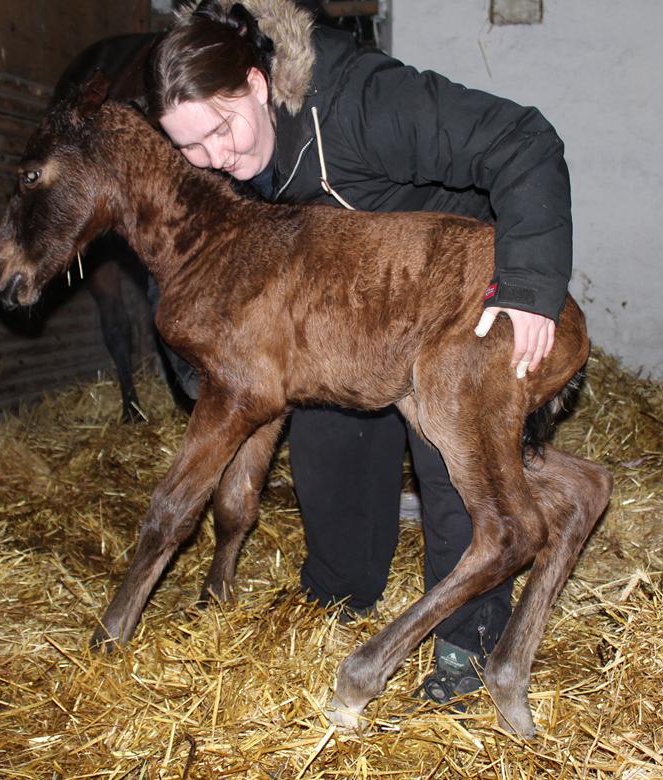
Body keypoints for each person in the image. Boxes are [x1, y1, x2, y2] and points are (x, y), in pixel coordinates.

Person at [145, 0, 572, 704]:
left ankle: (467, 642)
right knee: (326, 433)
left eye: (222, 128)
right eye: (190, 147)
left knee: (449, 461)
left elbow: (523, 139)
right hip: (348, 299)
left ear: (259, 82)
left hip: (452, 285)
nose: (214, 157)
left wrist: (528, 286)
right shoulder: (223, 156)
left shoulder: (360, 102)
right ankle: (341, 589)